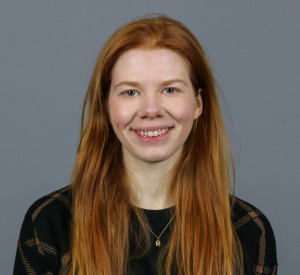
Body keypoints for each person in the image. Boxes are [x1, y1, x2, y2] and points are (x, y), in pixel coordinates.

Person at [13, 14, 277, 275]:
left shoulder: (249, 230)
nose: (151, 110)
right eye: (130, 92)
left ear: (198, 104)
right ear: (106, 107)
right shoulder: (50, 223)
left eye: (170, 90)